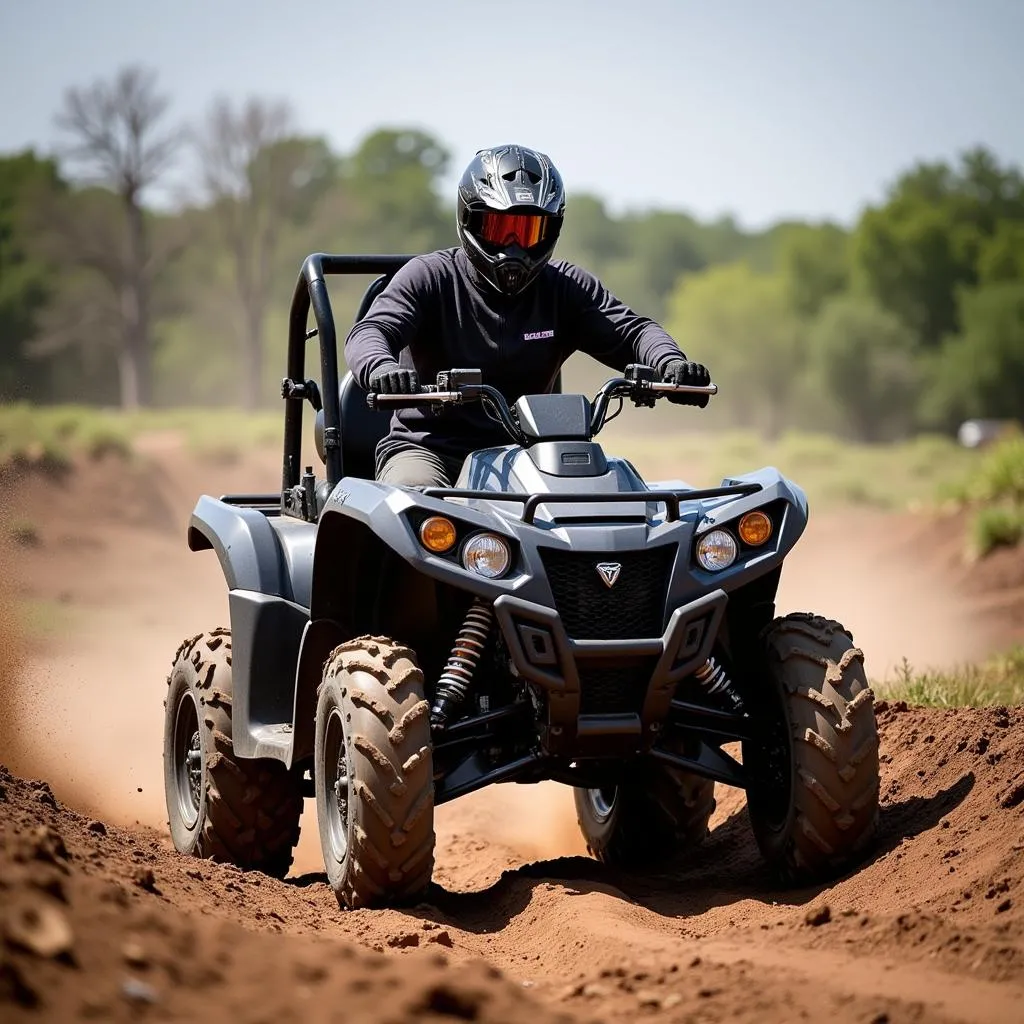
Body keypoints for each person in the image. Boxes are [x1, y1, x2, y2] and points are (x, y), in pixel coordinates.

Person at [344, 144, 711, 488]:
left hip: (533, 456)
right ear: (470, 221)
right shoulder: (429, 276)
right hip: (431, 451)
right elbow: (371, 332)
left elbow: (634, 331)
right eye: (501, 229)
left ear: (551, 230)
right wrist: (381, 369)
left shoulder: (566, 286)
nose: (515, 247)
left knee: (607, 506)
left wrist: (669, 362)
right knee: (413, 502)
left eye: (529, 231)